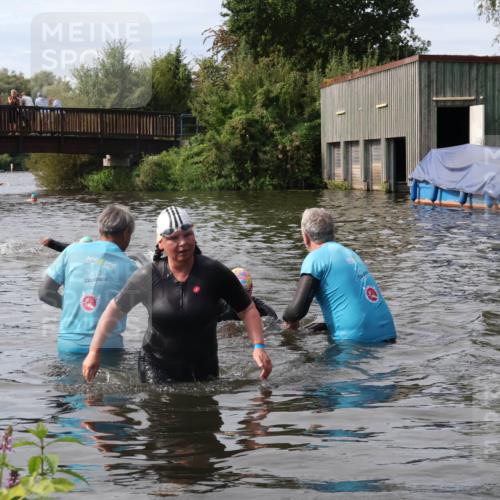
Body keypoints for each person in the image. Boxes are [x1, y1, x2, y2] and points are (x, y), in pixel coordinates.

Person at [82, 206, 272, 384]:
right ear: (161, 243)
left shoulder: (214, 273)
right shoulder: (147, 276)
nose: (183, 243)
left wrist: (259, 347)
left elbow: (247, 309)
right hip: (155, 367)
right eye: (173, 238)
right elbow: (114, 311)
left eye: (188, 234)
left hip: (204, 368)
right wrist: (94, 351)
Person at [283, 208, 396, 343]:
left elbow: (296, 311)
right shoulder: (350, 253)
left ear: (306, 237)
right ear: (333, 233)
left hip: (354, 341)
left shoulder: (315, 258)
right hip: (388, 334)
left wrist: (286, 320)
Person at [39, 204, 137, 353]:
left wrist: (72, 306)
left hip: (68, 346)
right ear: (127, 233)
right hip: (107, 348)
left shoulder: (71, 251)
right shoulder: (130, 266)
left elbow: (45, 293)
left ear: (100, 230)